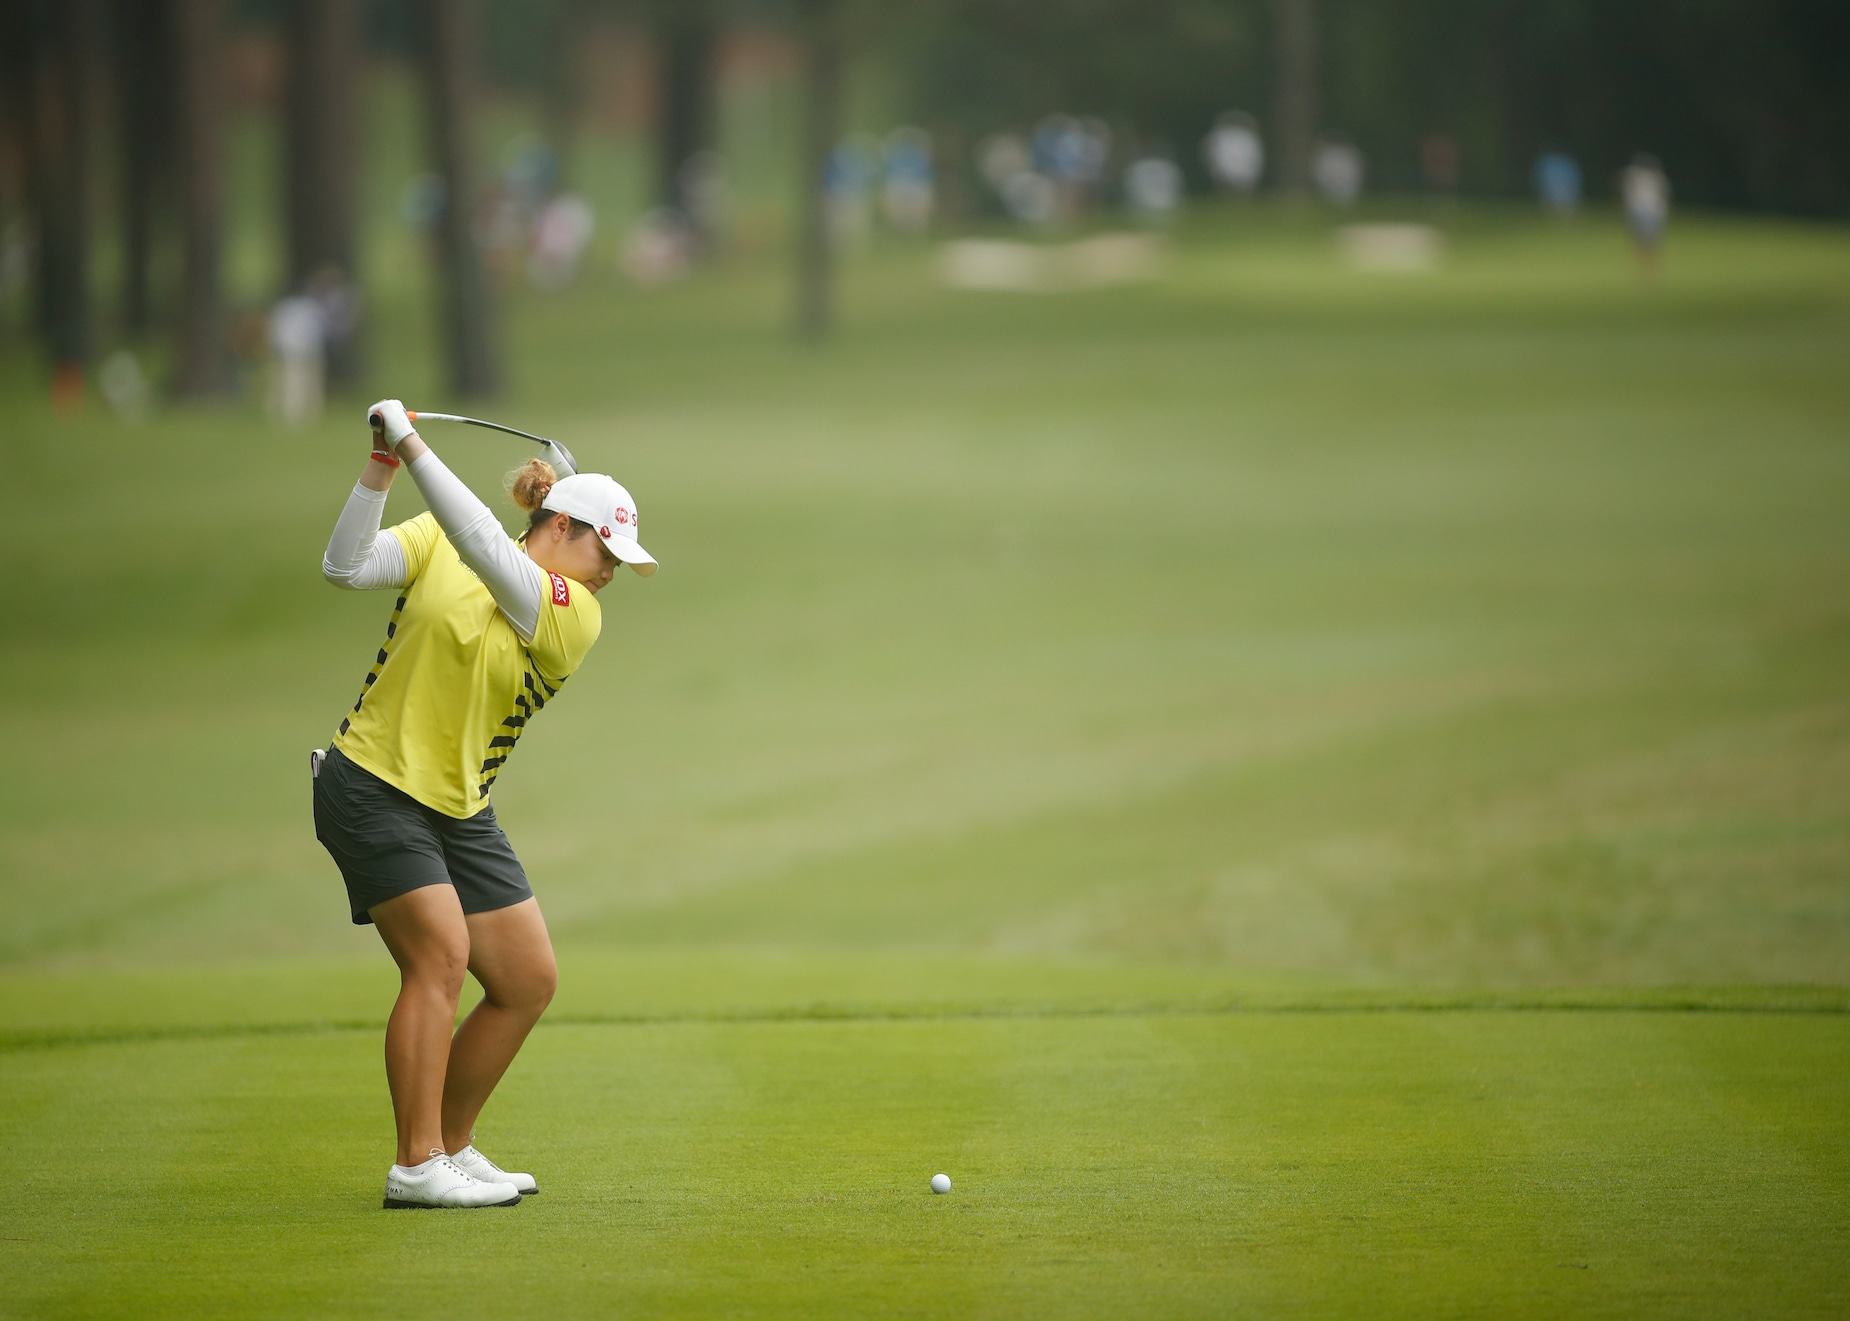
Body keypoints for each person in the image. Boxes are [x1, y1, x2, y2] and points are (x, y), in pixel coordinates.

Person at [315, 399, 656, 1209]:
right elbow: (345, 565)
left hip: (460, 805)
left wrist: (414, 440)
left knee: (527, 977)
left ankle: (453, 1144)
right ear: (561, 525)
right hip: (371, 784)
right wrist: (383, 465)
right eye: (605, 548)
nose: (612, 568)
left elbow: (482, 546)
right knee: (440, 956)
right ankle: (415, 1163)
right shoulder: (439, 539)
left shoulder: (574, 617)